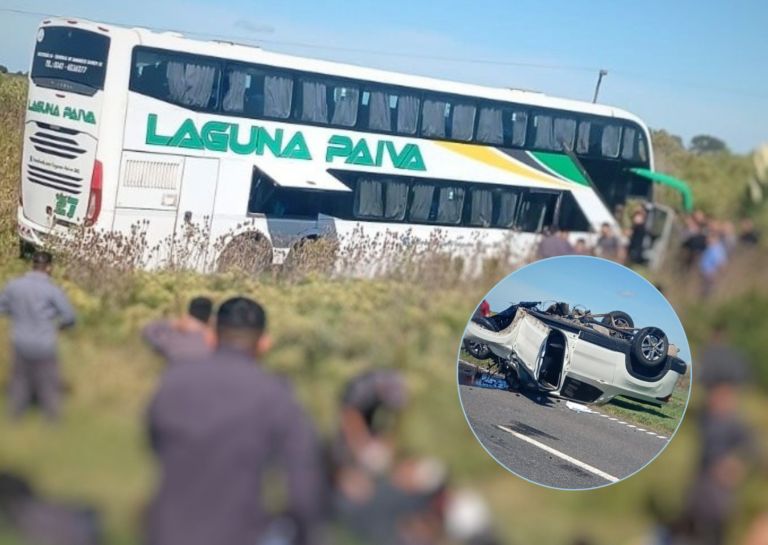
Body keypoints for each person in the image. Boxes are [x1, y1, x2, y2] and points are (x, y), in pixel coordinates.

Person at [145, 297, 327, 545]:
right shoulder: (275, 394)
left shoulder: (174, 380)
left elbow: (154, 442)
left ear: (210, 337)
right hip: (239, 535)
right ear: (264, 344)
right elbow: (303, 482)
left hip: (167, 532)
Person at [0, 251, 76, 421]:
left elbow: (2, 307)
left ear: (33, 265)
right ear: (48, 268)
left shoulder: (15, 285)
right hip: (44, 345)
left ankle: (14, 419)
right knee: (48, 386)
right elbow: (70, 317)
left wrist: (16, 313)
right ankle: (51, 424)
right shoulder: (52, 290)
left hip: (20, 342)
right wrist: (60, 327)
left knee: (19, 383)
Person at [142, 297, 215, 364]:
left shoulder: (174, 341)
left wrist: (174, 323)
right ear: (209, 318)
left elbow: (148, 330)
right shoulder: (214, 343)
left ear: (188, 315)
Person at [699, 231, 728, 298]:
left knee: (709, 293)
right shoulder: (709, 248)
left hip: (710, 275)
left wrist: (714, 274)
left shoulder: (717, 249)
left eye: (710, 238)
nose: (707, 240)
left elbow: (721, 263)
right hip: (705, 274)